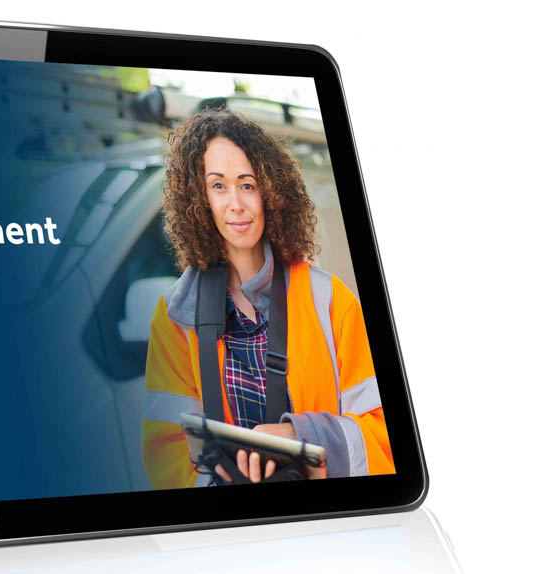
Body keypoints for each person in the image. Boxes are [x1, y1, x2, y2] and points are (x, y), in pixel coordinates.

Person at [141, 109, 394, 488]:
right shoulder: (174, 318)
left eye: (247, 184)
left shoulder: (330, 299)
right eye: (218, 186)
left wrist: (300, 437)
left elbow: (386, 436)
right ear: (199, 198)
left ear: (271, 191)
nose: (236, 205)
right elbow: (166, 454)